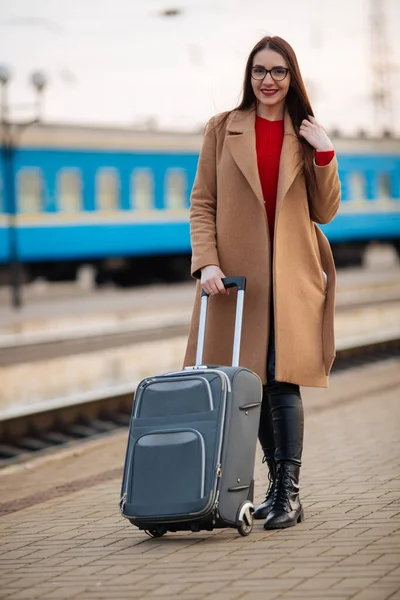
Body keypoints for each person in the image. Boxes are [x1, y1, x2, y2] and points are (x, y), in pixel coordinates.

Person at [183, 35, 341, 529]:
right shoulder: (221, 129)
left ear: (292, 77)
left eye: (278, 72)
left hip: (290, 276)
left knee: (283, 378)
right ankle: (276, 491)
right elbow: (202, 203)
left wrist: (325, 153)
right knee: (250, 381)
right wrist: (206, 262)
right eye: (259, 71)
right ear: (249, 77)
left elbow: (326, 211)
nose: (268, 81)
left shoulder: (305, 132)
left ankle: (287, 495)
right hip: (238, 282)